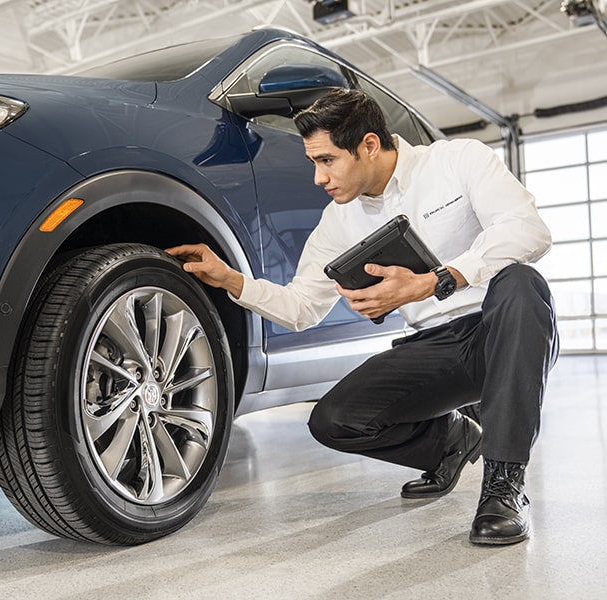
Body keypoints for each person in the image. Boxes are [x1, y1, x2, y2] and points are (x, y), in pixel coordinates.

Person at [166, 87, 559, 546]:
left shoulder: (457, 161)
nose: (318, 178)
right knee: (334, 420)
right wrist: (231, 279)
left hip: (505, 326)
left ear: (369, 145)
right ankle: (452, 440)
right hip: (434, 346)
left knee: (521, 284)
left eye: (327, 160)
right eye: (314, 162)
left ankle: (504, 488)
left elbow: (528, 230)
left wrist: (438, 279)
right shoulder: (339, 221)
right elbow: (301, 308)